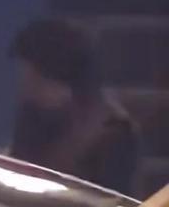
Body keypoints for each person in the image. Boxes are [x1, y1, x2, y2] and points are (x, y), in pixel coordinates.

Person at [8, 18, 139, 195]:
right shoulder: (34, 114)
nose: (26, 89)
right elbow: (20, 181)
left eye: (35, 80)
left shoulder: (116, 131)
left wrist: (81, 139)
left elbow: (113, 202)